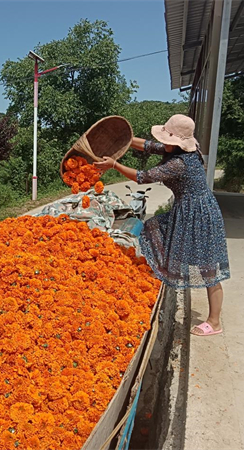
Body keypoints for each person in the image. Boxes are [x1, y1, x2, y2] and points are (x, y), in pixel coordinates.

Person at [94, 114, 230, 336]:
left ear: (176, 141)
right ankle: (160, 272)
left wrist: (114, 164)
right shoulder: (180, 149)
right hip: (189, 209)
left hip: (199, 213)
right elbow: (147, 145)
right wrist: (122, 139)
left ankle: (214, 322)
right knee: (153, 227)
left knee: (208, 268)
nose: (163, 142)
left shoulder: (178, 163)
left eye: (167, 138)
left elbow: (142, 176)